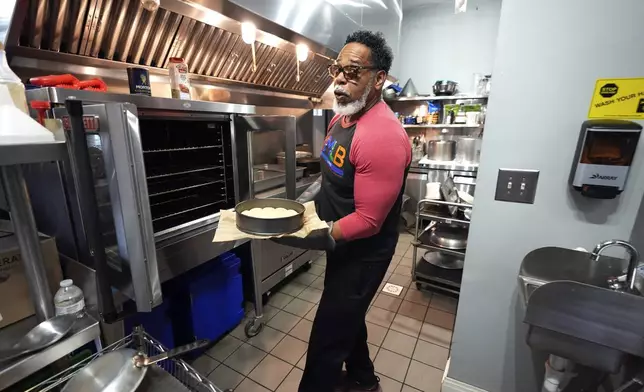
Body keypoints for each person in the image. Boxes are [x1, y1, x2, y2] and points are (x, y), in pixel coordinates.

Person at [276, 30, 411, 392]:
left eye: (353, 72)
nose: (339, 79)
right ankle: (364, 379)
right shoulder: (341, 120)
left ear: (379, 78)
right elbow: (331, 179)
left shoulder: (381, 136)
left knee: (326, 339)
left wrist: (311, 235)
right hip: (343, 243)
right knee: (347, 317)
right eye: (337, 69)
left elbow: (368, 221)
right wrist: (302, 210)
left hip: (364, 254)